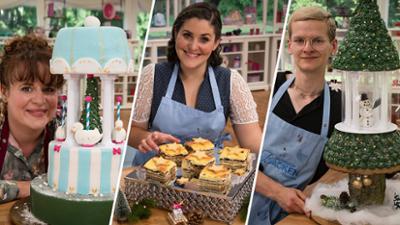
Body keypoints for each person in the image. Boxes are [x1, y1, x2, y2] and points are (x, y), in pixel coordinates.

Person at [129, 2, 262, 164]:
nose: (193, 46)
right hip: (154, 174)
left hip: (207, 178)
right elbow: (133, 131)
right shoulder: (153, 75)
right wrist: (148, 138)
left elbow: (254, 148)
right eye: (187, 35)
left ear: (215, 43)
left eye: (204, 39)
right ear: (176, 33)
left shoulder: (230, 82)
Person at [248, 6, 341, 224]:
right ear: (289, 46)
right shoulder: (271, 89)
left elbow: (346, 167)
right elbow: (242, 158)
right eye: (299, 40)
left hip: (290, 215)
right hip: (245, 198)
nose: (307, 48)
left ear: (333, 46)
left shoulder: (339, 107)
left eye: (317, 40)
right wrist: (278, 192)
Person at [0, 35, 64, 203]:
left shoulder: (66, 134)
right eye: (27, 88)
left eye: (49, 89)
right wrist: (30, 188)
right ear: (4, 91)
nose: (39, 100)